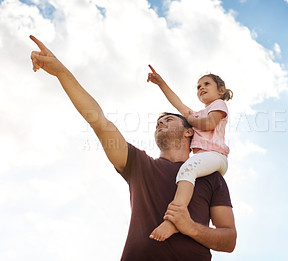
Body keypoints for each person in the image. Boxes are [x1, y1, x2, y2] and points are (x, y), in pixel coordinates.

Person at [29, 35, 236, 260]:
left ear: (189, 131)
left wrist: (189, 226)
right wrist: (61, 72)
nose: (161, 122)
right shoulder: (139, 164)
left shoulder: (211, 177)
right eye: (158, 121)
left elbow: (229, 240)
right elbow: (99, 120)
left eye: (168, 119)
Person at [147, 65, 233, 242]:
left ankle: (173, 220)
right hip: (205, 159)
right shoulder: (197, 114)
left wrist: (191, 120)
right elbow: (177, 103)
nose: (201, 88)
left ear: (221, 90)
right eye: (198, 86)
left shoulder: (218, 104)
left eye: (206, 84)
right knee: (189, 172)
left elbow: (209, 123)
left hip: (215, 155)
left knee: (187, 170)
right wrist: (161, 83)